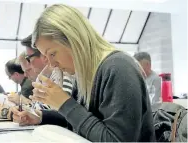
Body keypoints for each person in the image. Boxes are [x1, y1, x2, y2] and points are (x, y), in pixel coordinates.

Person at [12, 4, 155, 142]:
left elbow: (115, 139)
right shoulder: (84, 73)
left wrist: (65, 103)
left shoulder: (119, 69)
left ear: (74, 39)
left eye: (53, 54)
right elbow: (83, 124)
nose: (52, 64)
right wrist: (41, 117)